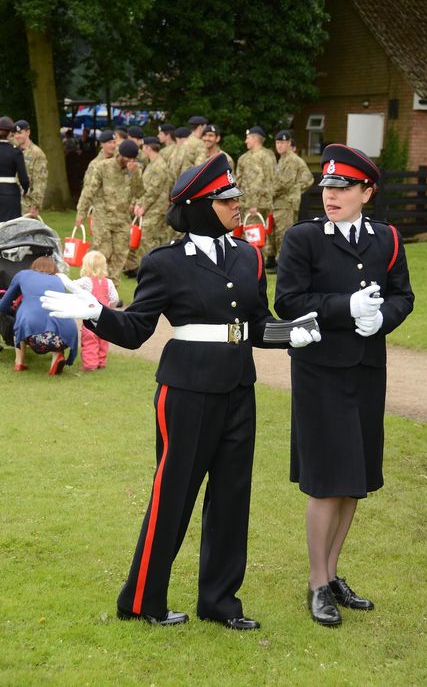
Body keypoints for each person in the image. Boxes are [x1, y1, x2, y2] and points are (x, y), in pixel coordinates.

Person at [41, 152, 319, 629]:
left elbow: (252, 325)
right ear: (198, 206)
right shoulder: (165, 262)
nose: (237, 204)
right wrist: (95, 313)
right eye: (226, 198)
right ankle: (142, 600)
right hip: (186, 392)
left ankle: (220, 602)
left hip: (238, 388)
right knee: (173, 495)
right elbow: (135, 330)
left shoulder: (249, 256)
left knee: (232, 498)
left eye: (235, 196)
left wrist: (289, 332)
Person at [275, 143, 414, 627]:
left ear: (366, 192)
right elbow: (287, 302)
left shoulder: (386, 239)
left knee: (353, 480)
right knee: (326, 480)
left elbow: (403, 296)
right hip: (319, 372)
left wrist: (383, 320)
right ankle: (316, 583)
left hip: (366, 371)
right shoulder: (303, 238)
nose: (330, 196)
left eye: (343, 188)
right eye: (327, 187)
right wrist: (344, 308)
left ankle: (333, 574)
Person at [75, 139, 144, 289]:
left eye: (133, 159)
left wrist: (134, 175)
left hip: (123, 219)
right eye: (128, 158)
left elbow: (139, 192)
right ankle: (91, 285)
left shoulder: (134, 171)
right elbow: (89, 191)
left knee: (120, 255)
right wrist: (81, 212)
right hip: (103, 217)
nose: (130, 162)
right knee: (103, 252)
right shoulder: (103, 167)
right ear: (120, 155)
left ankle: (110, 290)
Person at [0, 256, 78, 374]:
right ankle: (57, 357)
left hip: (35, 335)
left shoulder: (23, 275)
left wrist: (12, 310)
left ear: (34, 266)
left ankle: (19, 362)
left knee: (21, 316)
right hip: (66, 335)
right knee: (56, 319)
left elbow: (3, 305)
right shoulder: (60, 279)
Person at [269, 130, 314, 272]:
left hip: (286, 203)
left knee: (284, 233)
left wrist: (294, 191)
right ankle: (276, 261)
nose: (280, 145)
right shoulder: (283, 159)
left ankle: (283, 263)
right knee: (277, 232)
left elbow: (284, 183)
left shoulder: (291, 160)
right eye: (278, 142)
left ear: (289, 144)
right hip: (280, 202)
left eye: (283, 142)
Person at [235, 126, 275, 263]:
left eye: (248, 138)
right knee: (251, 236)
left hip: (256, 205)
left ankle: (254, 265)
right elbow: (238, 181)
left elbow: (262, 181)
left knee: (255, 237)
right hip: (251, 203)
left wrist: (253, 204)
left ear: (255, 138)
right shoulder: (245, 158)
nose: (246, 141)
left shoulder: (262, 157)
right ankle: (253, 263)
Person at [74, 250, 118, 371]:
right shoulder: (108, 282)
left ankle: (90, 365)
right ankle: (101, 362)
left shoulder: (85, 281)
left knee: (89, 341)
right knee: (103, 340)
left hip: (91, 317)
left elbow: (73, 287)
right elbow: (115, 298)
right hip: (105, 317)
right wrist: (109, 306)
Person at [13, 119, 48, 218]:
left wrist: (36, 205)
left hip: (27, 205)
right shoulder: (13, 151)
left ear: (28, 132)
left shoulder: (37, 153)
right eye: (15, 133)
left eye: (20, 133)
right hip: (11, 202)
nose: (17, 136)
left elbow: (40, 181)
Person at [0, 116, 29, 222]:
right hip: (10, 194)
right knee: (11, 229)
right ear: (10, 133)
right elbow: (24, 179)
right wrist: (25, 190)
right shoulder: (16, 152)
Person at [170, 115, 208, 180]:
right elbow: (200, 168)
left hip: (181, 182)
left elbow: (174, 167)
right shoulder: (200, 144)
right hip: (192, 182)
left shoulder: (185, 143)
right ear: (200, 127)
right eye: (205, 127)